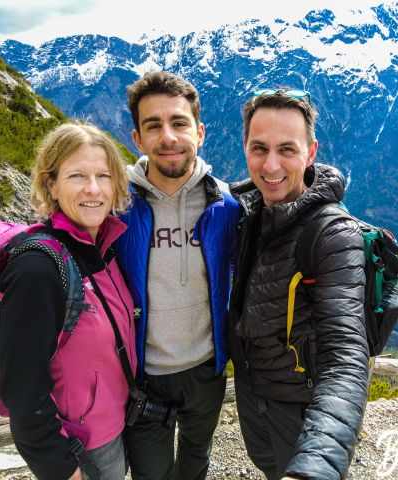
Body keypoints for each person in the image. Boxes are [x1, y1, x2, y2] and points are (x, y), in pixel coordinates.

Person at [228, 89, 370, 480]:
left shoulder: (332, 235)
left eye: (287, 150)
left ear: (311, 152)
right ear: (245, 148)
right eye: (259, 148)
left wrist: (315, 466)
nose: (271, 165)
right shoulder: (246, 212)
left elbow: (345, 358)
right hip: (257, 404)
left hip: (304, 415)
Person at [115, 71, 239, 480]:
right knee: (151, 474)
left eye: (179, 123)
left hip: (207, 368)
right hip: (143, 376)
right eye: (154, 125)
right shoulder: (117, 211)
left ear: (199, 132)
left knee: (195, 461)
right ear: (137, 138)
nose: (168, 136)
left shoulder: (226, 207)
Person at [0, 122, 137, 480]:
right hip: (79, 450)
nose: (93, 189)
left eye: (104, 176)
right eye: (77, 176)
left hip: (112, 429)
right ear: (52, 185)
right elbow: (22, 393)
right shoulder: (38, 269)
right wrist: (62, 470)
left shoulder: (104, 248)